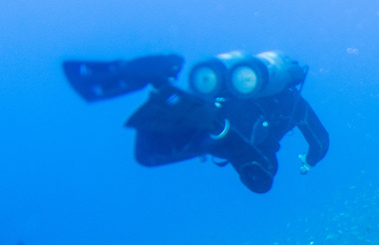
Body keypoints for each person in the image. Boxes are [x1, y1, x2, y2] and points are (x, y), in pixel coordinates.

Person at [63, 51, 329, 193]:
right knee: (261, 179)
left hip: (213, 112)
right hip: (229, 137)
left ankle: (160, 80)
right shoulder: (295, 103)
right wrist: (309, 161)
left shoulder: (233, 88)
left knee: (151, 152)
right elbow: (320, 140)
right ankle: (215, 129)